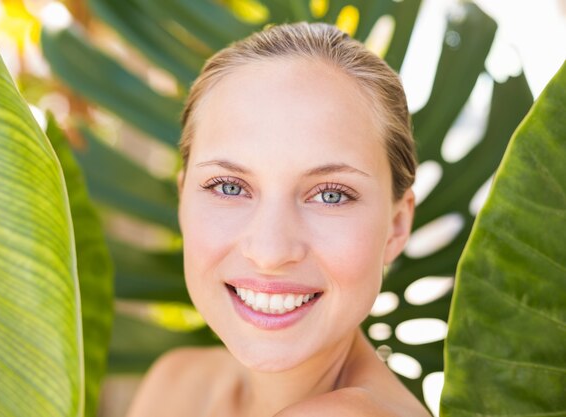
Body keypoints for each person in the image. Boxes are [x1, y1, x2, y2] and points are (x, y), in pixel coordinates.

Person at [126, 22, 430, 417]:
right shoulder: (175, 380)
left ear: (396, 225)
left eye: (330, 195)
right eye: (230, 187)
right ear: (183, 199)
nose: (270, 252)